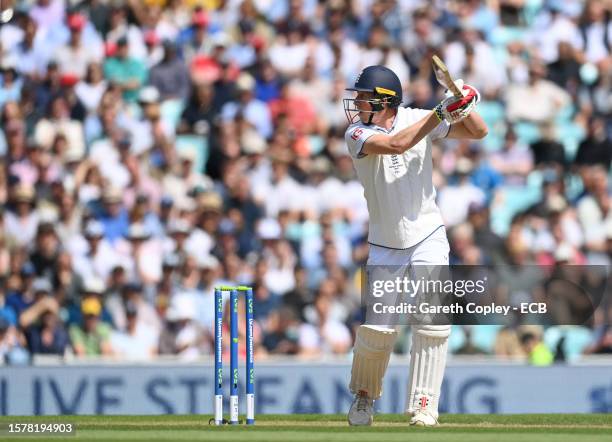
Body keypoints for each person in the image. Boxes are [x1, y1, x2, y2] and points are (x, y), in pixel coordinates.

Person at [343, 65, 487, 426]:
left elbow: (479, 132)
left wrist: (464, 101)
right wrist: (441, 111)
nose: (357, 101)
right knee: (378, 329)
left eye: (364, 96)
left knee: (432, 321)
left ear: (385, 101)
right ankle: (363, 398)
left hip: (428, 233)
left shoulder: (417, 116)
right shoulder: (356, 133)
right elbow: (397, 143)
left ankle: (424, 404)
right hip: (384, 244)